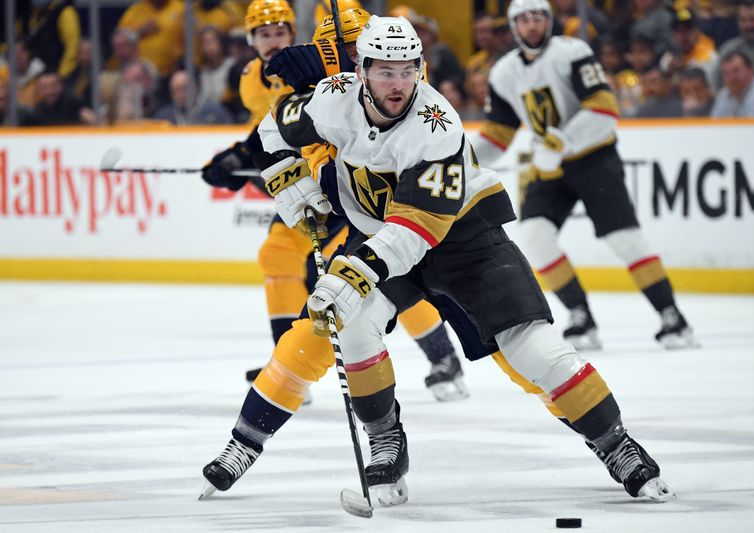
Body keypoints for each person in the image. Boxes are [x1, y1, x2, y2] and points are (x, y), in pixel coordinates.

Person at [199, 13, 674, 507]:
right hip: (381, 236)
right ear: (360, 70)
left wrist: (354, 271)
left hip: (461, 239)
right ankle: (383, 440)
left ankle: (615, 443)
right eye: (385, 70)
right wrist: (285, 179)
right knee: (349, 325)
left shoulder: (436, 124)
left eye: (409, 70)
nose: (399, 83)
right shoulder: (333, 97)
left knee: (533, 350)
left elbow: (416, 229)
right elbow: (273, 128)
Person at [200, 1, 469, 401]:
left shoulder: (336, 64)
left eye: (279, 32)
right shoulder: (254, 80)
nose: (273, 41)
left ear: (294, 34)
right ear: (250, 39)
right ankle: (285, 359)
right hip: (320, 182)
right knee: (280, 256)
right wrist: (246, 157)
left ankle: (443, 355)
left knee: (379, 273)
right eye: (263, 33)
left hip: (359, 183)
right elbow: (276, 129)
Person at [473, 0, 695, 351]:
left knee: (625, 239)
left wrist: (563, 140)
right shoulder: (502, 73)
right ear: (514, 27)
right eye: (524, 20)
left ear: (549, 21)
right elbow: (497, 134)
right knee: (535, 236)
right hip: (551, 166)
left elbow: (605, 110)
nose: (532, 26)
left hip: (594, 158)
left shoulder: (571, 52)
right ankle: (580, 315)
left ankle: (672, 317)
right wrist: (460, 155)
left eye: (538, 18)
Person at [711, 49, 754, 116]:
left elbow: (753, 127)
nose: (731, 78)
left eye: (736, 71)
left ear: (750, 69)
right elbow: (714, 125)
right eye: (726, 73)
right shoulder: (723, 94)